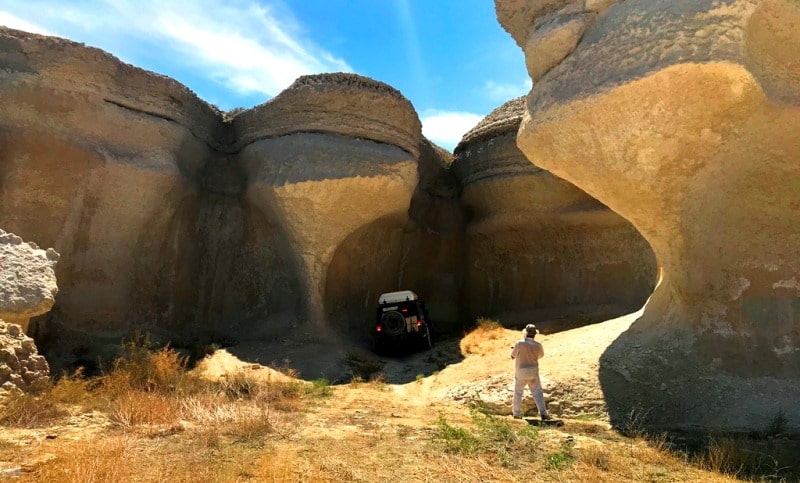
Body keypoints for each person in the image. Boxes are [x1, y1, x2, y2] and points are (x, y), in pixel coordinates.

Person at [510, 323, 550, 420]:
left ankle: (517, 414)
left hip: (521, 371)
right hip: (533, 371)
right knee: (538, 392)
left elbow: (512, 356)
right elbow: (540, 356)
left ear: (526, 333)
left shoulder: (519, 343)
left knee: (518, 392)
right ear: (535, 334)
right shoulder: (538, 345)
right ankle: (543, 413)